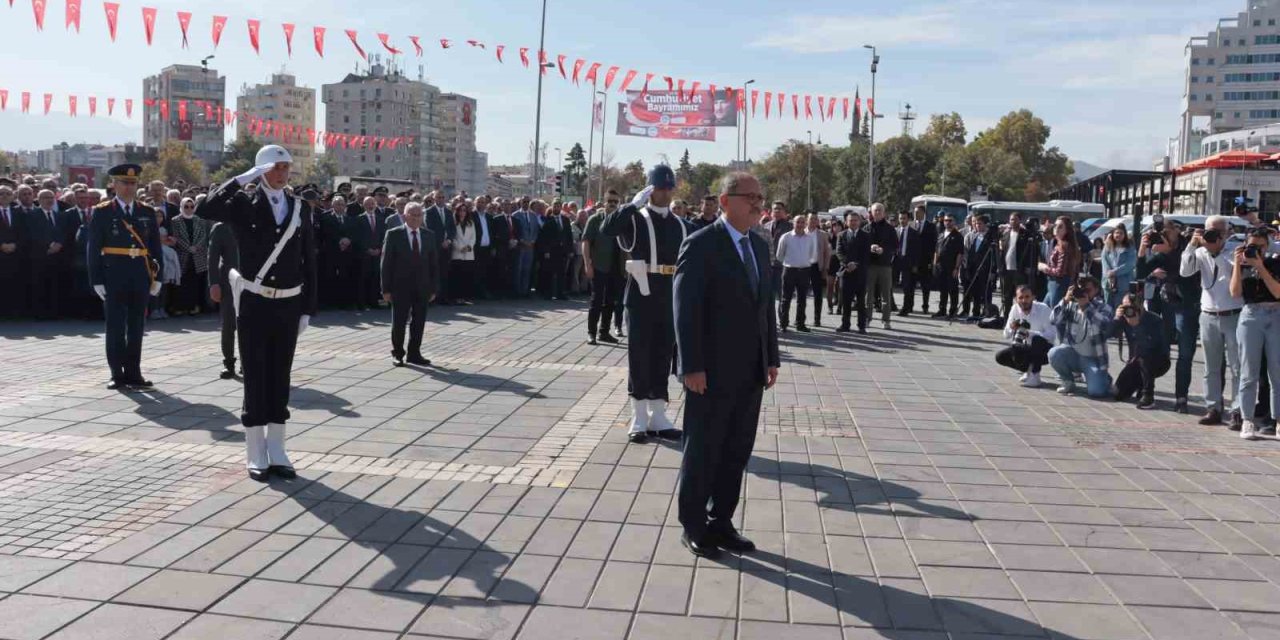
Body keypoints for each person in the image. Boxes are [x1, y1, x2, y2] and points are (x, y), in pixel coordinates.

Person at [196, 145, 318, 482]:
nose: (283, 173)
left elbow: (309, 258)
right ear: (263, 169)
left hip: (288, 302)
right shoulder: (241, 203)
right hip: (254, 300)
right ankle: (256, 451)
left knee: (281, 374)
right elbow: (206, 208)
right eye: (277, 167)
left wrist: (308, 307)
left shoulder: (297, 207)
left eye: (286, 167)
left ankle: (277, 449)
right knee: (254, 372)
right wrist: (241, 179)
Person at [673, 171, 779, 559]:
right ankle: (694, 525)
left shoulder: (759, 244)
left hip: (751, 370)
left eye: (760, 196)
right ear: (724, 201)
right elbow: (686, 311)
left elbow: (765, 308)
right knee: (703, 448)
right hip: (710, 372)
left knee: (736, 451)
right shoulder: (701, 244)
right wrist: (691, 365)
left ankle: (722, 521)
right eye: (750, 196)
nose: (758, 203)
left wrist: (772, 357)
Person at [603, 165, 688, 444]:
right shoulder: (636, 219)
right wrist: (631, 205)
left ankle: (659, 415)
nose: (664, 193)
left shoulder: (679, 224)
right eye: (659, 188)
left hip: (669, 293)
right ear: (650, 189)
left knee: (663, 354)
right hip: (641, 293)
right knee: (640, 354)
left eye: (667, 188)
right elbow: (608, 229)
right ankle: (639, 416)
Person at [86, 165, 162, 390]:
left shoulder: (146, 211)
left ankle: (134, 371)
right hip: (114, 274)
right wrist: (96, 279)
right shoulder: (103, 211)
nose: (129, 187)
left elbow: (155, 247)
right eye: (125, 183)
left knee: (137, 325)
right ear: (114, 185)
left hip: (140, 274)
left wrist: (158, 276)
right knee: (116, 326)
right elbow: (93, 248)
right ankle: (116, 373)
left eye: (133, 183)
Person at [1180, 219, 1245, 428]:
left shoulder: (1234, 250)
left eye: (1218, 232)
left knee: (1237, 366)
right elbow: (1184, 271)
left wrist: (1216, 251)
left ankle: (1237, 410)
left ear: (1226, 233)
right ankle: (1213, 408)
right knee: (1211, 367)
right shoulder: (1200, 252)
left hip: (1233, 314)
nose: (1214, 236)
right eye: (1210, 231)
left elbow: (1233, 270)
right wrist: (1192, 244)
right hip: (1208, 315)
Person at [1229, 228, 1280, 440]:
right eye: (1252, 246)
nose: (1256, 250)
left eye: (1260, 246)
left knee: (1276, 371)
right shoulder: (1242, 264)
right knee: (1248, 370)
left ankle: (1278, 421)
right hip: (1250, 315)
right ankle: (1247, 419)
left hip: (1275, 314)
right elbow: (1235, 293)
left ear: (1267, 246)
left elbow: (1277, 292)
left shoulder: (1276, 263)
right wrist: (1237, 265)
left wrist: (1261, 266)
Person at [381, 202, 440, 367]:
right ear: (405, 216)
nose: (416, 218)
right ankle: (398, 353)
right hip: (400, 286)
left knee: (419, 321)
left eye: (419, 215)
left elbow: (433, 263)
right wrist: (385, 289)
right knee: (399, 321)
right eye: (413, 215)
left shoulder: (428, 235)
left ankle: (414, 353)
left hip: (422, 286)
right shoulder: (393, 234)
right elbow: (386, 263)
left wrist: (434, 288)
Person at [1048, 277, 1114, 398]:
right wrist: (1065, 300)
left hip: (1093, 358)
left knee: (1097, 392)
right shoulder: (1071, 305)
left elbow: (1104, 325)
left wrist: (1087, 307)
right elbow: (1053, 320)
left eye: (1087, 290)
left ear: (1096, 290)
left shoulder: (1104, 307)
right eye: (1080, 289)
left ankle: (1104, 378)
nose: (1083, 292)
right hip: (1072, 353)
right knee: (1054, 353)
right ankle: (1068, 381)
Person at [1110, 293, 1168, 409]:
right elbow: (1107, 334)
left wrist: (1136, 326)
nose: (1128, 310)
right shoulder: (1124, 318)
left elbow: (1153, 346)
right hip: (1135, 363)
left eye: (1131, 306)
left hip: (1158, 361)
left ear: (1141, 306)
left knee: (1144, 356)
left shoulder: (1154, 320)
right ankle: (1140, 384)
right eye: (1125, 306)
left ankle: (1148, 395)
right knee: (1118, 394)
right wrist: (1116, 319)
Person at [995, 285, 1057, 388]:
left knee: (1037, 340)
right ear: (1016, 299)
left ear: (1033, 297)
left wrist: (1030, 334)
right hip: (1024, 347)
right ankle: (1028, 370)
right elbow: (1006, 335)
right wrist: (1012, 328)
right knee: (1000, 356)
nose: (1024, 300)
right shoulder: (1014, 308)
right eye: (1020, 297)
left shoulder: (1043, 309)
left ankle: (1035, 375)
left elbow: (1052, 335)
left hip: (1044, 350)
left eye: (1027, 297)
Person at [583, 196, 623, 345]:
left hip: (616, 267)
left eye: (615, 202)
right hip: (599, 266)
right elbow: (586, 242)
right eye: (610, 201)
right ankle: (591, 333)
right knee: (596, 300)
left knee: (611, 301)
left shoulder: (620, 220)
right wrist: (587, 264)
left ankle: (604, 332)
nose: (612, 204)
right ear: (604, 202)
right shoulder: (595, 219)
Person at [207, 220, 240, 380]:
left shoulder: (253, 222)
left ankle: (248, 363)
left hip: (253, 282)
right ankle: (229, 363)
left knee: (251, 326)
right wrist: (213, 283)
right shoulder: (221, 228)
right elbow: (212, 257)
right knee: (229, 325)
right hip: (229, 282)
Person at [168, 197, 210, 316]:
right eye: (186, 206)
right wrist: (188, 248)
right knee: (182, 283)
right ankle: (180, 307)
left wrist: (196, 247)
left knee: (194, 283)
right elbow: (176, 237)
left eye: (191, 206)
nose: (189, 209)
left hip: (198, 256)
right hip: (183, 255)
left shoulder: (199, 220)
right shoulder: (175, 220)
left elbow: (203, 236)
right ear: (181, 207)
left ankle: (193, 307)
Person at [776, 213, 818, 333]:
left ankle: (800, 324)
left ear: (805, 224)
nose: (800, 224)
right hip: (789, 270)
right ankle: (783, 324)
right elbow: (779, 255)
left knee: (802, 299)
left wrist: (802, 262)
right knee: (786, 298)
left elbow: (812, 255)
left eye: (802, 222)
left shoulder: (810, 238)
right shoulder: (786, 237)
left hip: (804, 271)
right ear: (793, 223)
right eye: (797, 222)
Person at [347, 196, 387, 310]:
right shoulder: (359, 219)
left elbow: (383, 236)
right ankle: (361, 303)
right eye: (368, 204)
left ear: (375, 205)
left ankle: (373, 302)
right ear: (364, 206)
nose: (370, 206)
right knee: (362, 279)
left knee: (375, 278)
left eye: (372, 204)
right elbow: (358, 237)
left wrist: (379, 249)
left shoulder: (380, 219)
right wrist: (367, 249)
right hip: (364, 254)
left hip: (377, 254)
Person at [836, 212, 870, 333]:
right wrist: (847, 264)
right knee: (846, 301)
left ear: (860, 222)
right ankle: (845, 324)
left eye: (856, 220)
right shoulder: (841, 235)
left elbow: (866, 254)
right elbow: (839, 252)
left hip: (860, 273)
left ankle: (862, 326)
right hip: (846, 273)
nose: (853, 222)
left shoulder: (866, 236)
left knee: (861, 302)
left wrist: (856, 264)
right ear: (846, 222)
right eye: (851, 220)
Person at [864, 203, 898, 328]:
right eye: (875, 211)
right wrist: (870, 247)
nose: (877, 213)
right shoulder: (867, 228)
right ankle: (867, 318)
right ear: (871, 213)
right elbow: (861, 245)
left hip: (885, 266)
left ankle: (886, 320)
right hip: (870, 265)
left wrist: (884, 250)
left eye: (879, 211)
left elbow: (895, 246)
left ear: (884, 213)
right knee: (869, 294)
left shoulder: (890, 229)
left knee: (886, 295)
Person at [999, 213, 1038, 316]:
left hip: (1019, 270)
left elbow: (1032, 252)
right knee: (1006, 296)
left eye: (1015, 220)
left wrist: (1030, 267)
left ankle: (1020, 316)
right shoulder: (1006, 234)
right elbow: (1002, 252)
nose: (1013, 222)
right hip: (1007, 270)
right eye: (1011, 220)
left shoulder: (1025, 234)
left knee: (1020, 296)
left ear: (1020, 221)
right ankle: (1007, 318)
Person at [1038, 216, 1081, 305]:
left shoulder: (1064, 246)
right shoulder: (1060, 244)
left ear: (1067, 230)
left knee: (1054, 312)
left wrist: (1045, 268)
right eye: (1056, 225)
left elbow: (1060, 272)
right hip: (1054, 283)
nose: (1056, 228)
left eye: (1060, 226)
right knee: (1045, 310)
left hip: (1059, 284)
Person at [962, 214, 997, 320]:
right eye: (976, 224)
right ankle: (975, 312)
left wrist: (993, 271)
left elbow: (994, 256)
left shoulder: (990, 238)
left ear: (985, 225)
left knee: (986, 292)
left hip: (985, 270)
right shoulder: (975, 236)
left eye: (979, 224)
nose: (977, 226)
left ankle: (986, 312)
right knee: (975, 292)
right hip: (974, 270)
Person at [932, 214, 965, 319]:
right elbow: (937, 250)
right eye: (946, 220)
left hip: (951, 267)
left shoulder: (958, 236)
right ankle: (942, 309)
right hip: (940, 266)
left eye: (950, 220)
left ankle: (953, 311)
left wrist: (957, 268)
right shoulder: (941, 234)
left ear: (954, 222)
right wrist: (934, 264)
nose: (948, 222)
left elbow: (960, 253)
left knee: (953, 290)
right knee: (943, 289)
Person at [0, 185, 23, 319]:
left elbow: (25, 233)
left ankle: (13, 313)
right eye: (1, 193)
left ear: (13, 196)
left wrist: (16, 245)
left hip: (15, 255)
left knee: (14, 285)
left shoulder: (18, 213)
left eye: (7, 194)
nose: (4, 196)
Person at [1100, 225, 1136, 309]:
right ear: (1112, 234)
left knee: (1121, 309)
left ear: (1125, 235)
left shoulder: (1130, 248)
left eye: (1121, 233)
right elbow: (1104, 262)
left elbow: (1130, 264)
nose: (1118, 235)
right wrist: (1109, 274)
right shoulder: (1107, 247)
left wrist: (1115, 272)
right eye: (1116, 233)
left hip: (1123, 285)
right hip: (1108, 284)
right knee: (1108, 309)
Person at [451, 200, 478, 304]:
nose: (462, 212)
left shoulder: (470, 223)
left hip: (468, 253)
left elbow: (473, 237)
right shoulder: (453, 222)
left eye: (464, 210)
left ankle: (466, 297)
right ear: (457, 212)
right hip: (457, 253)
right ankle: (457, 298)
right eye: (460, 210)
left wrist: (469, 246)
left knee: (467, 276)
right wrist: (460, 247)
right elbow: (452, 237)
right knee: (457, 276)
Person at [808, 214, 831, 326]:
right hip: (803, 266)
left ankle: (817, 319)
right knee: (802, 294)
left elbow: (827, 253)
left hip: (817, 266)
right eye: (810, 219)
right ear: (807, 220)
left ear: (818, 222)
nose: (813, 221)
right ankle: (800, 318)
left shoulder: (823, 234)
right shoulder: (802, 232)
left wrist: (825, 268)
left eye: (815, 219)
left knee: (818, 294)